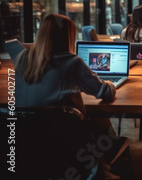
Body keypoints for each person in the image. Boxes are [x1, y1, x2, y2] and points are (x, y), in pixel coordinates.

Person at [15, 14, 128, 175]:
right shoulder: (71, 62)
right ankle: (102, 167)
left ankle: (100, 167)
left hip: (30, 142)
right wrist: (110, 83)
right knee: (101, 119)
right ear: (67, 36)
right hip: (66, 139)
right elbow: (106, 93)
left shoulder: (22, 59)